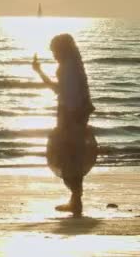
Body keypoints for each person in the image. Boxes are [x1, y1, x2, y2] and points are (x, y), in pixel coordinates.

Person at [32, 33, 97, 217]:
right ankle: (75, 201)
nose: (53, 54)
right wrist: (40, 72)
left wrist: (67, 124)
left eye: (54, 50)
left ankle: (76, 201)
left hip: (70, 117)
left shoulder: (68, 68)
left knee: (68, 157)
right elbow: (60, 90)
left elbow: (69, 97)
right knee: (73, 157)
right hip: (72, 116)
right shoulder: (72, 65)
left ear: (62, 49)